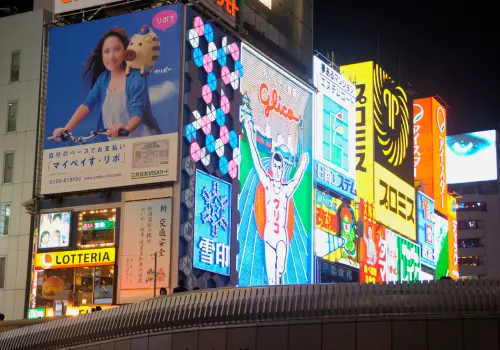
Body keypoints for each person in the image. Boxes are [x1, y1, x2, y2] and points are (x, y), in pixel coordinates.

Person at [51, 28, 161, 142]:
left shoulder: (136, 76)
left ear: (126, 50)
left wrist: (127, 128)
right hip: (117, 145)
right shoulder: (104, 78)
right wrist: (66, 129)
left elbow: (137, 113)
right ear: (102, 55)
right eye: (107, 51)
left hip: (144, 142)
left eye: (117, 49)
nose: (111, 56)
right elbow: (87, 105)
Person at [243, 118, 309, 285]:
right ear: (272, 165)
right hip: (268, 235)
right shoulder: (267, 183)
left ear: (283, 168)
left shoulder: (286, 190)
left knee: (280, 269)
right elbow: (257, 163)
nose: (278, 170)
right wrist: (250, 135)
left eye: (280, 167)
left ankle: (281, 290)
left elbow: (295, 180)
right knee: (271, 279)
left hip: (281, 235)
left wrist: (302, 165)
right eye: (275, 166)